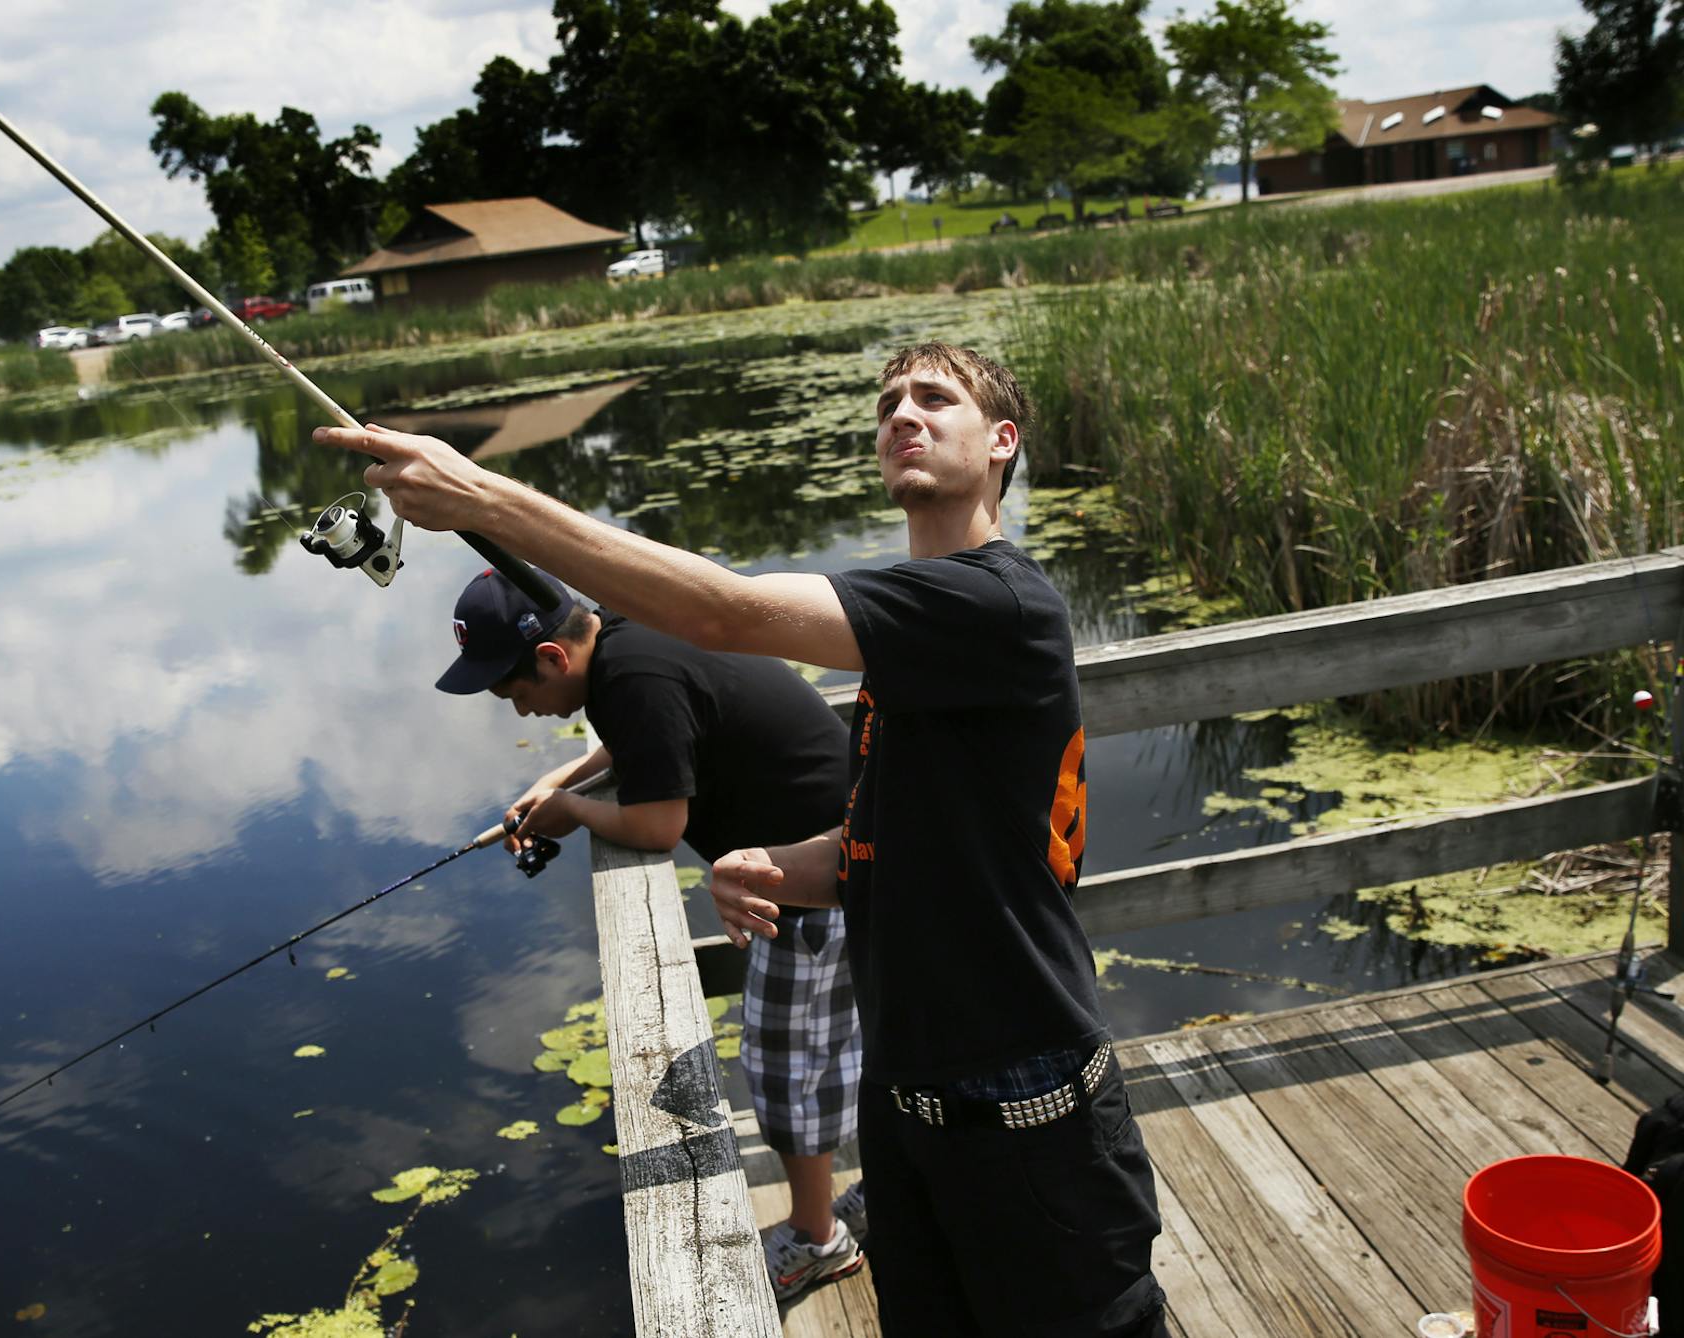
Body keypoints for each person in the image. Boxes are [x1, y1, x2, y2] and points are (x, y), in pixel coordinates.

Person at [315, 341, 1165, 1334]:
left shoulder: (997, 604)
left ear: (1003, 442)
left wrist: (480, 499)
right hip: (909, 1113)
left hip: (1032, 1112)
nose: (904, 414)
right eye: (891, 401)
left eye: (936, 398)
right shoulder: (920, 627)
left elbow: (722, 611)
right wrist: (772, 866)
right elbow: (885, 845)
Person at [432, 563, 870, 1301]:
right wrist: (559, 783)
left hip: (810, 885)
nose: (516, 711)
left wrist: (572, 814)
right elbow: (643, 740)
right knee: (839, 1048)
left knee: (786, 1069)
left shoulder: (630, 679)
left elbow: (657, 825)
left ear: (551, 658)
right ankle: (867, 1196)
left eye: (514, 692)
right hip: (846, 854)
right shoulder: (628, 635)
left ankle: (818, 1238)